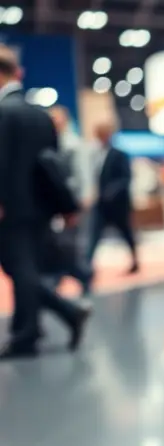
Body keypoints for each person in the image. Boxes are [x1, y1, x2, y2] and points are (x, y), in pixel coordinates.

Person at [0, 45, 91, 359]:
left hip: (10, 208)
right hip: (40, 209)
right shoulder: (41, 115)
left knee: (19, 269)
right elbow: (53, 166)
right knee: (26, 270)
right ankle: (60, 315)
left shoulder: (3, 113)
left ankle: (26, 336)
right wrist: (62, 206)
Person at [46, 105, 95, 295]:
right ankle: (68, 274)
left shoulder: (73, 144)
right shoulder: (52, 142)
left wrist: (84, 196)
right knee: (62, 242)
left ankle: (82, 273)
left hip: (72, 201)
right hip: (59, 202)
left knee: (73, 242)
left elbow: (82, 172)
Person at [87, 121, 138, 273]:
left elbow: (126, 178)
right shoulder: (95, 154)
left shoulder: (119, 154)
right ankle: (87, 265)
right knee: (94, 234)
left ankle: (135, 260)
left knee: (126, 233)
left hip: (118, 204)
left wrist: (111, 192)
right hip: (101, 203)